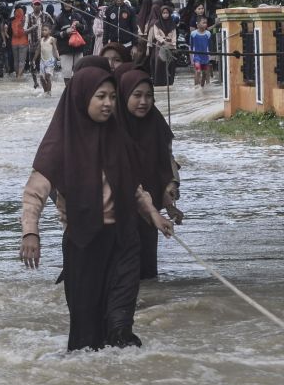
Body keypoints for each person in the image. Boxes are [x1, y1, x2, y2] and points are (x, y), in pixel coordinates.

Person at [20, 67, 174, 350]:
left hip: (124, 240)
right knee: (86, 338)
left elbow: (131, 186)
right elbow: (34, 193)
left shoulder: (117, 137)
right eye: (100, 96)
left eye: (113, 97)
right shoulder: (60, 144)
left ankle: (129, 383)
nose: (108, 104)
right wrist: (31, 233)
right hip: (84, 243)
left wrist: (153, 213)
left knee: (121, 328)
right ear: (81, 98)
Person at [114, 67, 183, 280]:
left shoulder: (155, 123)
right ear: (124, 94)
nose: (143, 102)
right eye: (137, 95)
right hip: (116, 214)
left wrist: (171, 190)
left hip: (150, 214)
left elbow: (166, 161)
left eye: (149, 96)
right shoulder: (110, 128)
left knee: (147, 275)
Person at [53, 0, 90, 84]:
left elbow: (86, 29)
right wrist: (65, 32)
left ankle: (77, 91)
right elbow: (54, 33)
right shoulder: (59, 18)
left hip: (78, 49)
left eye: (70, 2)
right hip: (65, 49)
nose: (68, 4)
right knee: (67, 73)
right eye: (66, 2)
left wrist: (79, 25)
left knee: (79, 72)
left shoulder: (78, 16)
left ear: (72, 4)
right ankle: (68, 91)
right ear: (62, 4)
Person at [24, 0, 54, 87]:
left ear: (41, 5)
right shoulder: (28, 16)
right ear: (32, 6)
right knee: (32, 64)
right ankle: (35, 83)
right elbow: (24, 31)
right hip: (32, 45)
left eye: (38, 4)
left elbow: (53, 26)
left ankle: (45, 82)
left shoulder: (46, 15)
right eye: (35, 4)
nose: (37, 6)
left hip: (44, 45)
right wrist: (32, 28)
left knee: (45, 64)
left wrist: (49, 35)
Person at [146, 1, 176, 88]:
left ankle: (169, 82)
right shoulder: (157, 24)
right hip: (160, 46)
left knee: (171, 63)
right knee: (160, 62)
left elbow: (174, 35)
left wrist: (173, 45)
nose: (165, 15)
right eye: (163, 13)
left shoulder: (173, 24)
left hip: (170, 46)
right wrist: (163, 41)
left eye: (167, 13)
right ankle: (159, 83)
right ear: (161, 13)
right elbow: (156, 35)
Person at [190, 16, 213, 88]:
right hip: (196, 57)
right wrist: (191, 58)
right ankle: (196, 87)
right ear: (198, 24)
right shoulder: (193, 34)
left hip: (205, 57)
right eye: (203, 23)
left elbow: (210, 46)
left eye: (206, 23)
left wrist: (210, 56)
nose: (205, 24)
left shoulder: (208, 34)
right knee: (198, 71)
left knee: (205, 73)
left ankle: (202, 87)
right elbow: (191, 46)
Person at [37, 24, 59, 94]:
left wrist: (58, 58)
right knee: (41, 78)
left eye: (45, 30)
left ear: (49, 31)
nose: (43, 31)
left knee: (47, 77)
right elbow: (38, 50)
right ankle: (45, 91)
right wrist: (33, 60)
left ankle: (49, 92)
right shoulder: (41, 40)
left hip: (50, 61)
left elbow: (55, 49)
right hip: (42, 61)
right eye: (42, 30)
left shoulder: (52, 39)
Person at [10, 5, 29, 81]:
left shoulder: (13, 22)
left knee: (16, 60)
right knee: (22, 61)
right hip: (23, 42)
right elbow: (23, 32)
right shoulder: (24, 21)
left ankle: (17, 74)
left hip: (14, 43)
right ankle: (19, 76)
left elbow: (15, 33)